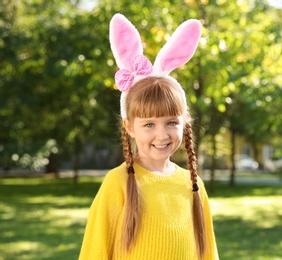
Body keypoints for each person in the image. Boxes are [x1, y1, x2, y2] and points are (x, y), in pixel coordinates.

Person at [79, 13, 219, 259]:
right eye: (149, 125)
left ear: (185, 122)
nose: (162, 134)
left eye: (171, 122)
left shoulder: (193, 184)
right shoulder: (117, 183)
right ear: (129, 127)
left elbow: (208, 253)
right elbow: (95, 251)